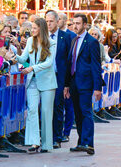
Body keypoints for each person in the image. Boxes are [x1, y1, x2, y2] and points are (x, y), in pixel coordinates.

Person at [16, 18, 57, 153]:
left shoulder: (51, 43)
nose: (32, 30)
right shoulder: (30, 41)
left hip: (47, 81)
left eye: (34, 28)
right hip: (32, 81)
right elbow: (23, 58)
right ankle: (34, 142)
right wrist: (14, 56)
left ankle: (46, 144)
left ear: (41, 29)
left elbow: (49, 63)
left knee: (46, 112)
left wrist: (32, 68)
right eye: (31, 28)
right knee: (32, 109)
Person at [64, 13, 102, 155]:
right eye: (74, 23)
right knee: (78, 114)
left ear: (85, 25)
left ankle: (89, 144)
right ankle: (81, 142)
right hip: (74, 83)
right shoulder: (74, 40)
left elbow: (95, 65)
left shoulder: (92, 42)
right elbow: (69, 63)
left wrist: (97, 87)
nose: (75, 26)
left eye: (78, 23)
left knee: (86, 112)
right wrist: (67, 85)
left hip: (86, 83)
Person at [45, 10, 71, 149]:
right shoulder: (42, 37)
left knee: (57, 106)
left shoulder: (66, 37)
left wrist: (67, 82)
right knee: (45, 107)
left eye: (51, 21)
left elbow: (69, 60)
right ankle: (46, 137)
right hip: (45, 77)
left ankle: (56, 138)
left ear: (57, 21)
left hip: (59, 77)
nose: (49, 24)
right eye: (47, 21)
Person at [58, 12, 76, 143]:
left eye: (58, 19)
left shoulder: (71, 36)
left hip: (68, 76)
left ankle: (66, 132)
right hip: (55, 76)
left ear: (64, 21)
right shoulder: (50, 36)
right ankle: (57, 132)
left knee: (69, 105)